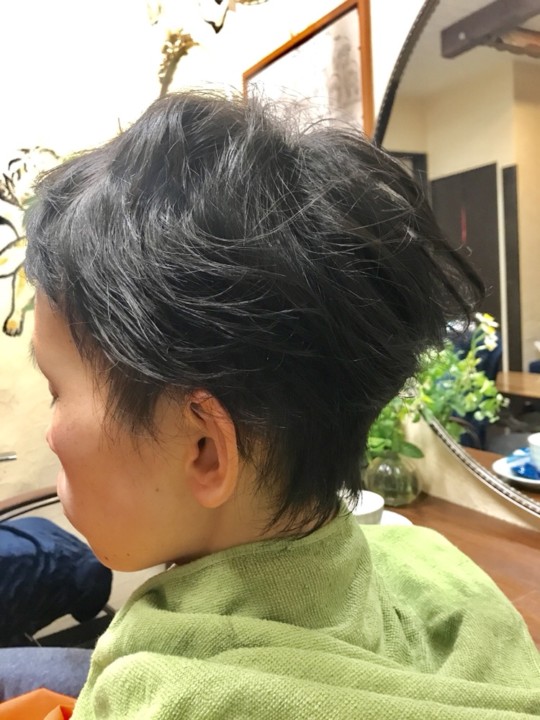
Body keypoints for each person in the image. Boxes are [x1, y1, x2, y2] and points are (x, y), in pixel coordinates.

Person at [9, 91, 540, 718]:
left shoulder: (163, 698)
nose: (49, 434)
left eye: (57, 390)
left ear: (204, 449)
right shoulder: (431, 561)